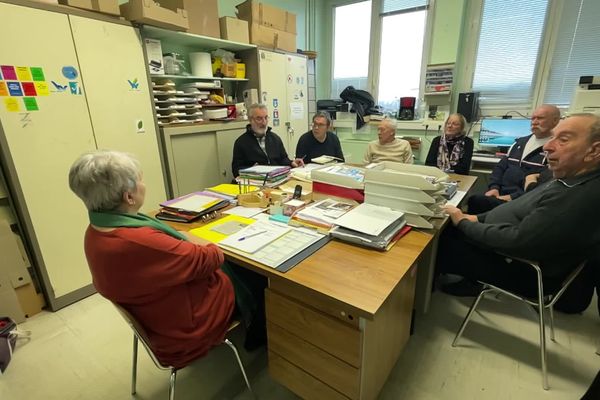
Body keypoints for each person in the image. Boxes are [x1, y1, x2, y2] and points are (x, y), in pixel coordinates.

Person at [68, 150, 266, 368]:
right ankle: (259, 335)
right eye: (140, 180)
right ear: (129, 197)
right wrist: (194, 238)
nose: (143, 184)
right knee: (256, 277)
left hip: (154, 315)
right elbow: (212, 257)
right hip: (186, 328)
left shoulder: (96, 230)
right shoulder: (139, 241)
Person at [438, 113, 600, 297]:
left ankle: (416, 304)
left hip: (525, 270)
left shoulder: (578, 196)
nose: (547, 146)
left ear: (594, 151)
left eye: (562, 140)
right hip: (513, 252)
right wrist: (475, 218)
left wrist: (464, 223)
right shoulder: (568, 178)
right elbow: (522, 205)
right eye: (553, 137)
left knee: (438, 240)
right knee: (449, 226)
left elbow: (517, 241)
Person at [467, 104, 561, 213]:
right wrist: (494, 187)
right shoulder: (519, 142)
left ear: (555, 121)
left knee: (475, 201)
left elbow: (542, 186)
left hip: (521, 201)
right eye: (533, 118)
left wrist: (511, 197)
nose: (534, 122)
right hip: (499, 194)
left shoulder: (554, 150)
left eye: (540, 118)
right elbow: (500, 168)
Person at [231, 103, 304, 177]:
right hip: (256, 181)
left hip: (276, 179)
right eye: (259, 119)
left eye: (266, 117)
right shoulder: (241, 143)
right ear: (250, 120)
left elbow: (283, 159)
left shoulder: (275, 138)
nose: (264, 122)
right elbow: (236, 170)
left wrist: (292, 163)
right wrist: (251, 170)